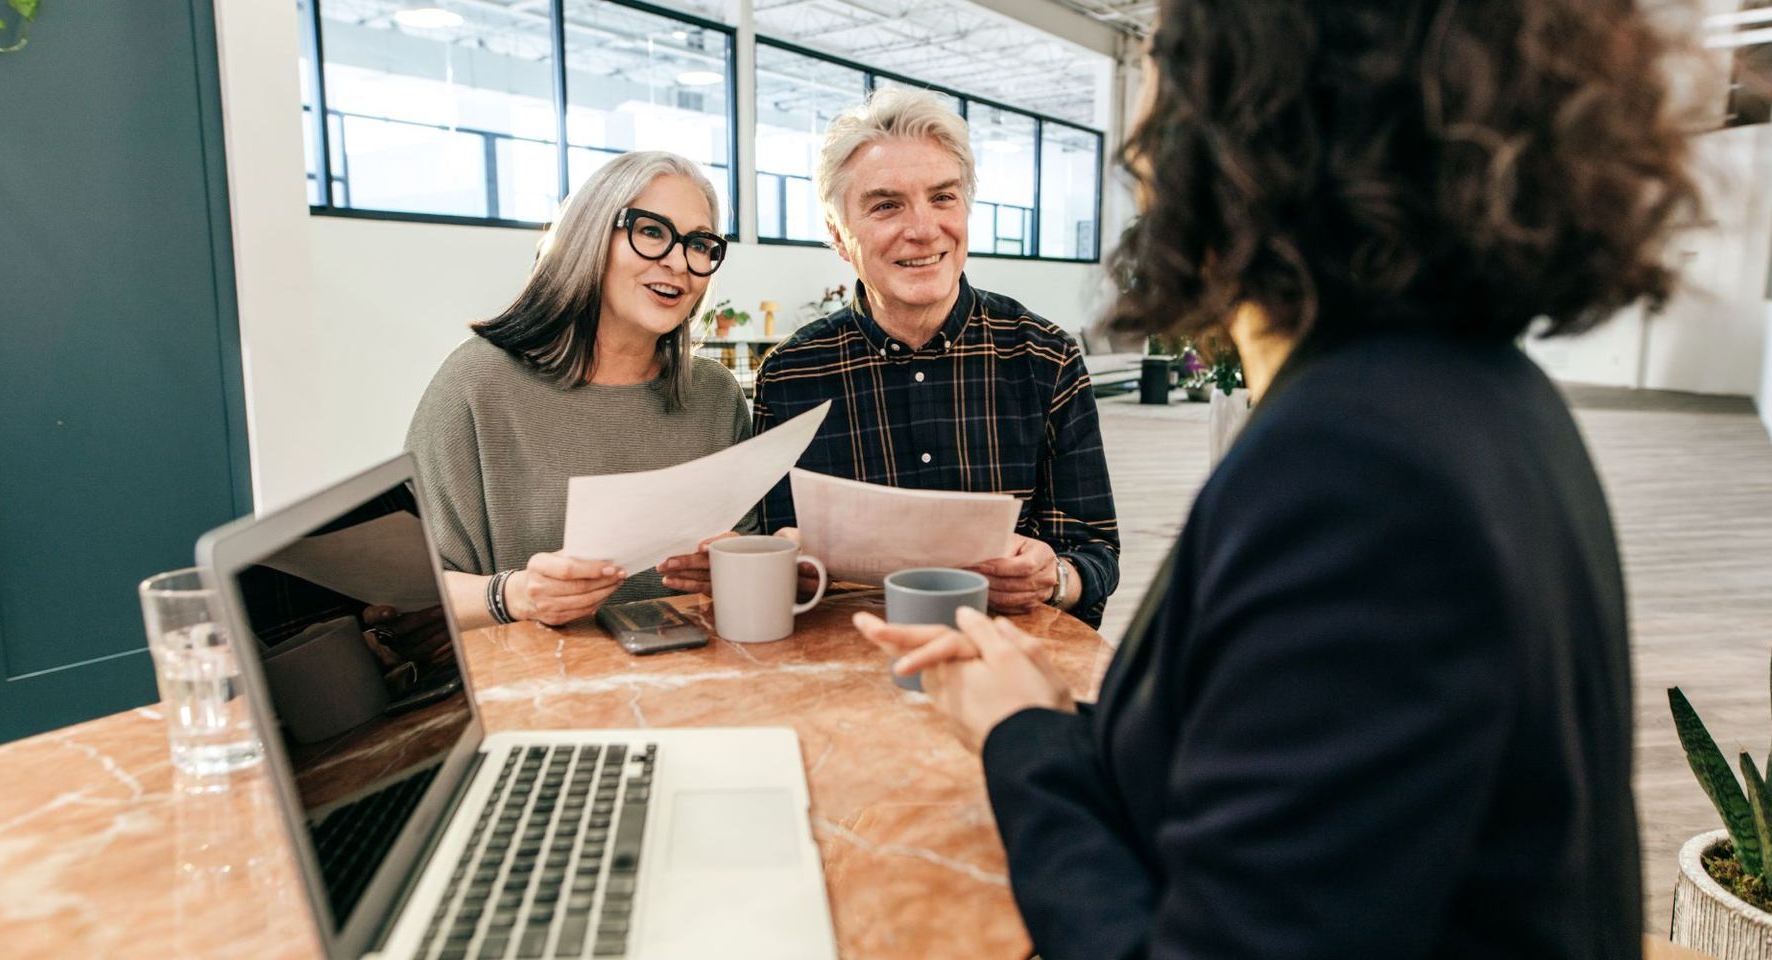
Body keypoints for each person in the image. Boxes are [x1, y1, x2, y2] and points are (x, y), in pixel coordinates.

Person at [857, 0, 1700, 956]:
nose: (1135, 147)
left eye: (1164, 78)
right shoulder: (1481, 395)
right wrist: (1054, 724)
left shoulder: (1358, 469)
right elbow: (1283, 781)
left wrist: (1019, 747)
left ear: (1249, 131)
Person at [743, 87, 1120, 628]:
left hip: (1009, 668)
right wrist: (785, 563)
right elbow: (780, 554)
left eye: (942, 197)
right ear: (838, 235)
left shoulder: (1045, 357)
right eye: (886, 205)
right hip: (849, 672)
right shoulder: (792, 376)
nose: (923, 229)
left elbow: (1094, 552)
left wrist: (1056, 576)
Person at [407, 151, 750, 630]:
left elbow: (750, 548)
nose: (678, 262)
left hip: (697, 683)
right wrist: (517, 595)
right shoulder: (478, 383)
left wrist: (733, 570)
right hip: (537, 692)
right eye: (651, 231)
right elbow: (406, 599)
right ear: (590, 237)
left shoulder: (715, 396)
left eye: (699, 243)